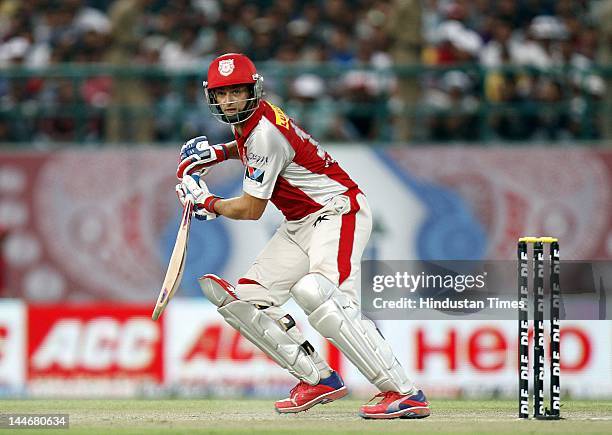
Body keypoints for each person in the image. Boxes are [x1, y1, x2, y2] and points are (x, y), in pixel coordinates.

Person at [175, 53, 430, 419]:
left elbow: (250, 209)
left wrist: (208, 202)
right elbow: (249, 149)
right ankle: (318, 379)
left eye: (237, 92)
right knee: (246, 301)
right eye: (222, 94)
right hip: (300, 221)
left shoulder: (264, 133)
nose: (229, 100)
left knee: (324, 299)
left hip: (337, 211)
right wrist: (217, 154)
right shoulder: (251, 123)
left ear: (254, 89)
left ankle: (405, 393)